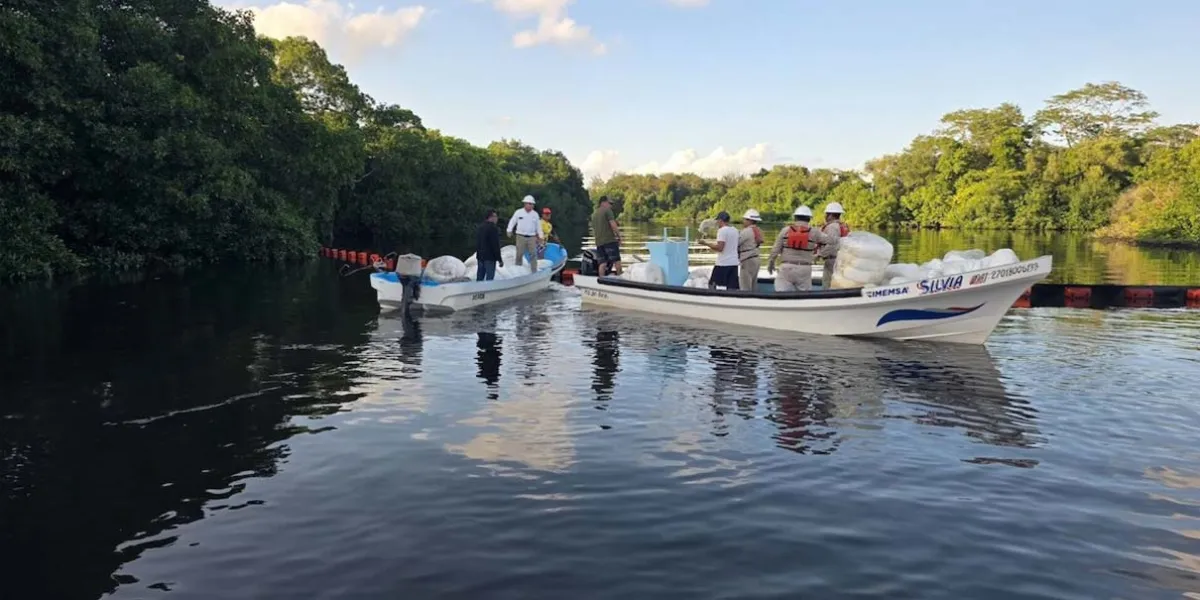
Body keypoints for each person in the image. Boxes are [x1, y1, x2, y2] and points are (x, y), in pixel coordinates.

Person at [766, 206, 835, 292]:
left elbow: (775, 250)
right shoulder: (815, 232)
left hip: (786, 268)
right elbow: (832, 242)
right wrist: (820, 254)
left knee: (782, 296)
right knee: (804, 298)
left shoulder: (785, 231)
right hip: (804, 269)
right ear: (809, 219)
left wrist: (771, 263)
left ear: (795, 217)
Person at [701, 211, 741, 290]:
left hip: (723, 263)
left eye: (717, 220)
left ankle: (714, 300)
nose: (717, 223)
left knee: (712, 284)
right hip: (734, 263)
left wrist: (705, 243)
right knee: (732, 287)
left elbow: (720, 248)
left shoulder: (722, 231)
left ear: (720, 220)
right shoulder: (735, 230)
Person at [506, 194, 543, 274]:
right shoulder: (518, 212)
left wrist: (541, 237)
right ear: (525, 204)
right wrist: (509, 230)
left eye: (532, 204)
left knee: (533, 254)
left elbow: (538, 227)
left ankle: (534, 272)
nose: (531, 205)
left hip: (532, 237)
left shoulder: (535, 214)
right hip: (520, 236)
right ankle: (518, 271)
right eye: (529, 203)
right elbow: (512, 221)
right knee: (519, 254)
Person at [818, 201, 850, 289]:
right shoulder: (842, 226)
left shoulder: (832, 227)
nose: (825, 216)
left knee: (827, 284)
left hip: (832, 261)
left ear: (831, 215)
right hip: (841, 259)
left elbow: (831, 245)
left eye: (826, 214)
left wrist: (819, 254)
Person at [591, 195, 622, 276]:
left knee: (602, 264)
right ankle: (621, 280)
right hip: (609, 241)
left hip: (599, 242)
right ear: (603, 202)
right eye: (610, 203)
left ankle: (601, 281)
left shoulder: (594, 214)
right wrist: (619, 237)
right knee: (617, 261)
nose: (611, 205)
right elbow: (613, 224)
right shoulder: (607, 210)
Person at [737, 209, 764, 291]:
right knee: (753, 285)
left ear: (750, 220)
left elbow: (736, 243)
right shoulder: (758, 230)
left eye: (745, 219)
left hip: (747, 260)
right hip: (756, 259)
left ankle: (746, 302)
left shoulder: (746, 231)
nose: (743, 221)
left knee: (745, 287)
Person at [475, 209, 504, 281]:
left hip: (480, 257)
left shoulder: (480, 227)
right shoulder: (493, 228)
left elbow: (478, 242)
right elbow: (495, 245)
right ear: (491, 217)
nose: (497, 219)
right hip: (490, 258)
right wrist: (499, 259)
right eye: (496, 216)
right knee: (489, 279)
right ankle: (488, 292)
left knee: (479, 278)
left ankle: (478, 291)